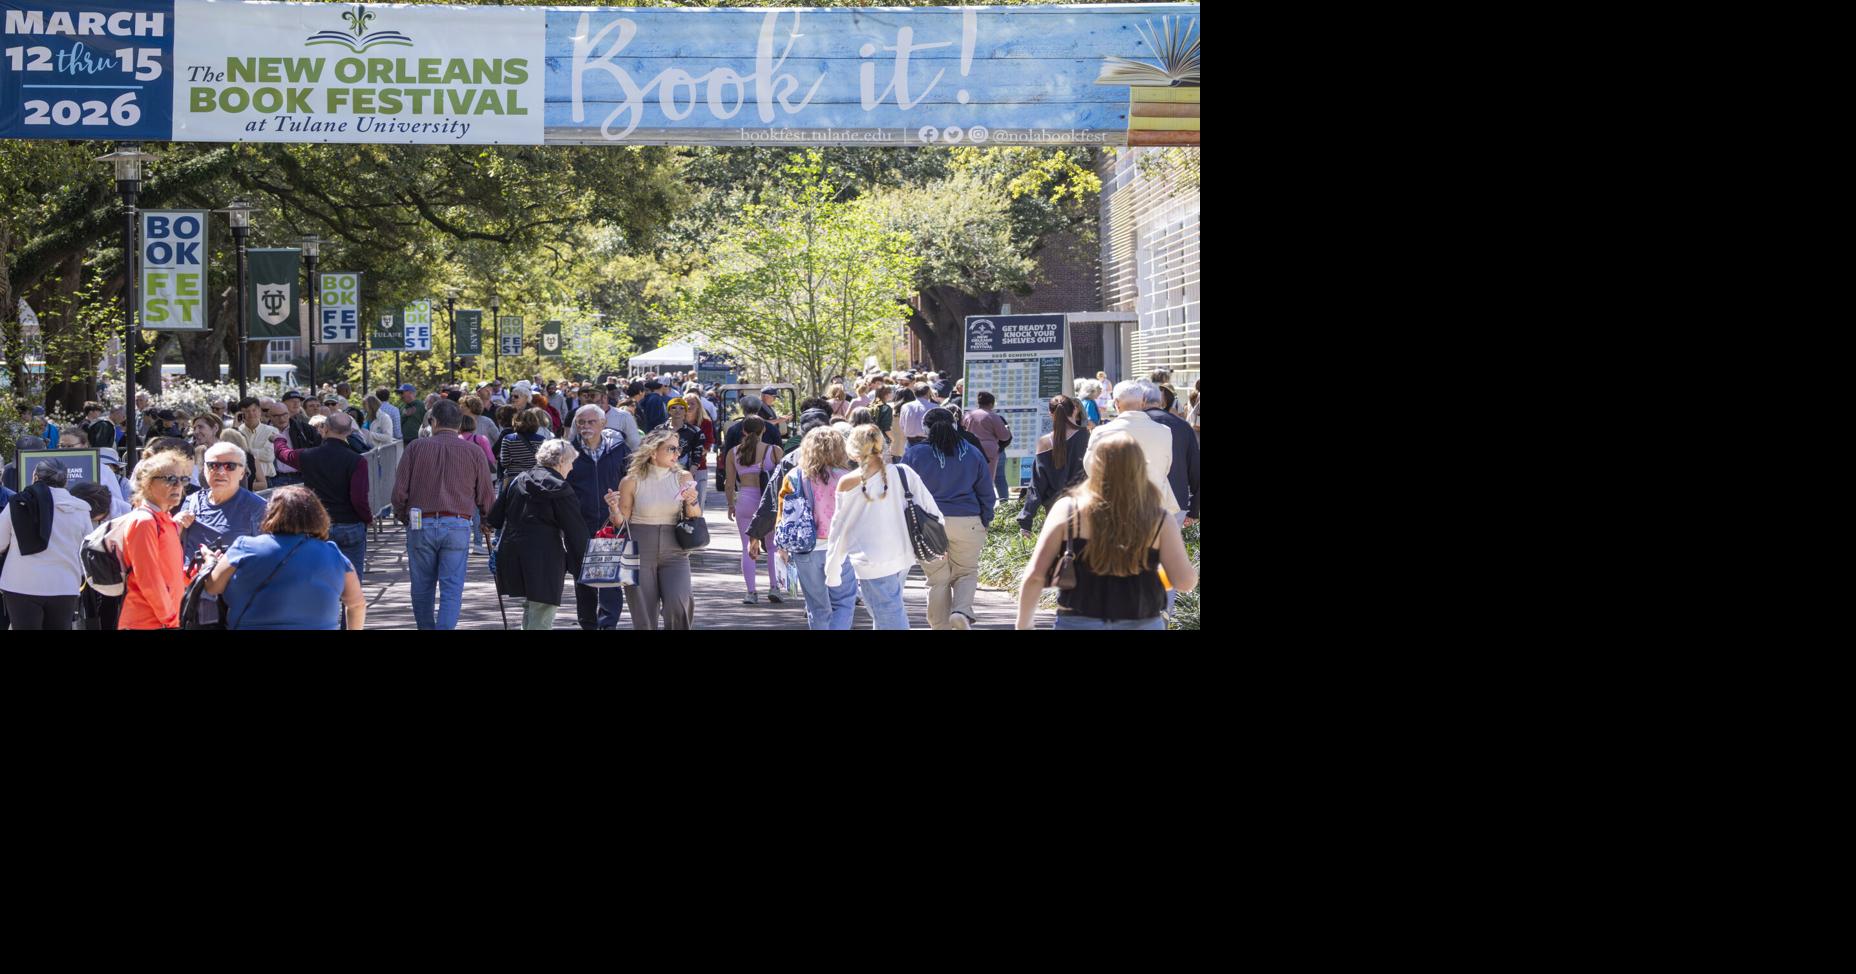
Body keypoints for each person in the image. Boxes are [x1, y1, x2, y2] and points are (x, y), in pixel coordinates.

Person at [1016, 431, 1196, 630]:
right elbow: (1184, 582)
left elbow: (1035, 576)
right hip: (1142, 620)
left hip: (1078, 621)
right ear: (1140, 467)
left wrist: (1023, 625)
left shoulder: (1068, 510)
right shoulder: (1159, 518)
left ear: (1094, 464)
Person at [825, 425, 942, 630]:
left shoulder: (847, 482)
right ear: (883, 445)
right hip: (903, 553)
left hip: (869, 559)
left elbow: (838, 529)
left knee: (887, 612)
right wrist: (941, 542)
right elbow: (931, 509)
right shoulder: (904, 473)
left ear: (852, 450)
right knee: (885, 611)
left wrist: (833, 568)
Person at [391, 399, 495, 630]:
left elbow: (399, 492)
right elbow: (486, 494)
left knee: (421, 587)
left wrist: (403, 515)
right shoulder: (474, 452)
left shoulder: (416, 448)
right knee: (452, 587)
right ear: (460, 424)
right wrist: (487, 520)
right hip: (458, 523)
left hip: (421, 522)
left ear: (433, 421)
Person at [204, 486, 366, 630]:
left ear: (270, 514)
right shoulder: (333, 554)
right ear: (318, 516)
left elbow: (212, 588)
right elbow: (357, 604)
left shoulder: (244, 547)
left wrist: (211, 562)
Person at [900, 408, 994, 630]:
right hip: (968, 521)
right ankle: (961, 611)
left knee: (937, 579)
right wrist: (985, 519)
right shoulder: (972, 452)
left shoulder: (915, 454)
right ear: (955, 425)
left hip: (929, 524)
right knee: (966, 572)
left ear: (925, 428)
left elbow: (903, 491)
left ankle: (940, 626)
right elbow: (986, 493)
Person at [487, 438, 589, 630]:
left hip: (514, 553)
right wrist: (583, 563)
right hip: (545, 556)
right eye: (570, 463)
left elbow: (494, 518)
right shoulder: (560, 487)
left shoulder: (518, 480)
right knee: (543, 608)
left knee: (533, 606)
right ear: (560, 462)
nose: (572, 469)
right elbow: (575, 531)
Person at [606, 429, 700, 629]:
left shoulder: (683, 477)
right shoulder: (631, 481)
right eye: (671, 449)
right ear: (652, 452)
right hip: (639, 548)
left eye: (679, 448)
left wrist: (692, 500)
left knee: (679, 602)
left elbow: (694, 516)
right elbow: (621, 523)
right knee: (643, 611)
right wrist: (614, 509)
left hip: (675, 547)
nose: (678, 453)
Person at [272, 413, 372, 577]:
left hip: (318, 523)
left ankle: (327, 601)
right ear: (349, 432)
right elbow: (359, 498)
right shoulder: (357, 461)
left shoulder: (308, 456)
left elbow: (283, 454)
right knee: (352, 577)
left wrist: (278, 440)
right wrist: (367, 518)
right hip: (350, 524)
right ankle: (351, 602)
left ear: (325, 429)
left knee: (320, 577)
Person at [0, 460, 91, 628]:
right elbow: (87, 548)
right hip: (64, 584)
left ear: (35, 477)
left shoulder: (17, 503)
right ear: (65, 481)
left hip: (20, 584)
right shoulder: (81, 509)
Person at [780, 428, 855, 630]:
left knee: (817, 607)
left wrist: (781, 548)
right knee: (844, 602)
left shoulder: (794, 476)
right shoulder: (848, 477)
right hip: (840, 547)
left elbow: (783, 513)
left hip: (805, 548)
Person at [565, 404, 630, 629]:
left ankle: (607, 625)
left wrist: (623, 510)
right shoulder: (567, 451)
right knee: (583, 580)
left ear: (603, 423)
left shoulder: (620, 449)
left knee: (610, 580)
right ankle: (588, 624)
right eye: (580, 422)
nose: (585, 427)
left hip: (610, 522)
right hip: (578, 524)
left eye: (591, 422)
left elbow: (631, 480)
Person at [117, 450, 194, 629]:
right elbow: (148, 579)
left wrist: (193, 572)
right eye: (170, 479)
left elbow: (168, 573)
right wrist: (171, 619)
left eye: (182, 479)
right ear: (147, 483)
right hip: (146, 622)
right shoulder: (144, 521)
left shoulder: (165, 519)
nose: (178, 486)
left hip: (163, 621)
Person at [1087, 381, 1177, 517]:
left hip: (1113, 508)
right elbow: (1166, 468)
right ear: (1143, 401)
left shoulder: (1101, 432)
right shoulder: (1164, 431)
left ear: (1116, 403)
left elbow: (1091, 470)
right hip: (1154, 507)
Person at [725, 416, 784, 604]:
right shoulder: (774, 450)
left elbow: (729, 483)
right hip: (768, 503)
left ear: (743, 431)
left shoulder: (733, 453)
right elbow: (784, 479)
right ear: (764, 430)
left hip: (744, 501)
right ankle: (774, 587)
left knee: (748, 547)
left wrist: (730, 504)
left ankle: (751, 592)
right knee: (773, 546)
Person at [178, 442, 266, 565]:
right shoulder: (192, 501)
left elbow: (267, 557)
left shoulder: (258, 507)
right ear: (204, 470)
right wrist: (175, 525)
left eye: (229, 466)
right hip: (190, 580)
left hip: (232, 582)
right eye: (213, 465)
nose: (220, 471)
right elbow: (173, 545)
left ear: (242, 473)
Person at [1017, 395, 1089, 534]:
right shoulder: (1088, 437)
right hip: (1084, 505)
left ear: (1051, 414)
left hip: (1055, 510)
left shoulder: (1045, 442)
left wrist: (1026, 520)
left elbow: (1037, 485)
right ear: (1075, 410)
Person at [66, 481, 121, 629]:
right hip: (83, 570)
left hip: (113, 572)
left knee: (110, 608)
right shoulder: (76, 512)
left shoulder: (123, 512)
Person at [962, 391, 1013, 502]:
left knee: (973, 478)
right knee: (998, 478)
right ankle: (1002, 504)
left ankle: (974, 502)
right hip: (991, 452)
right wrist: (1007, 429)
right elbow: (1004, 436)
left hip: (971, 450)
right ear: (992, 403)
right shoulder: (993, 416)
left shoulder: (968, 415)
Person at [234, 397, 278, 490]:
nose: (251, 414)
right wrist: (235, 427)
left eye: (254, 410)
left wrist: (246, 452)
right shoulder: (238, 431)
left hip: (267, 480)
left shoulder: (272, 430)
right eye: (246, 411)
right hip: (243, 481)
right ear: (241, 414)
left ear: (260, 411)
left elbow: (269, 455)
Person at [497, 408, 547, 483]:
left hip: (513, 478)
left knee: (504, 494)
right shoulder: (542, 440)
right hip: (534, 478)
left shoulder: (508, 439)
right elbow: (543, 462)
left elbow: (504, 462)